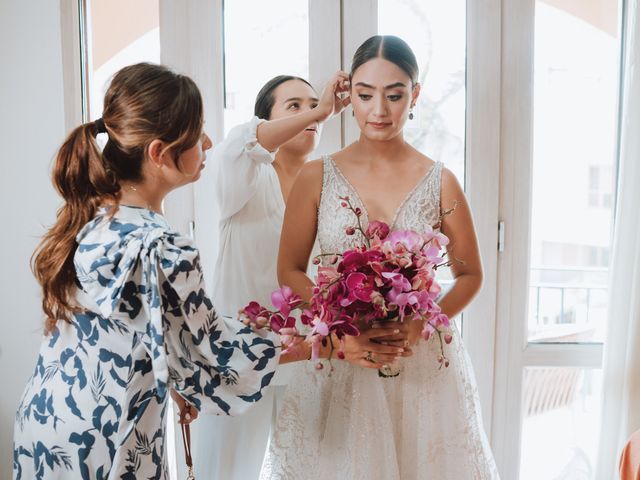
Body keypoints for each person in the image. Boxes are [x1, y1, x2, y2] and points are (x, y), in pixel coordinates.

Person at [12, 63, 281, 479]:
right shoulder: (164, 246)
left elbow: (123, 328)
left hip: (49, 420)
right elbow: (221, 354)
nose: (208, 143)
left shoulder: (92, 213)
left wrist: (172, 380)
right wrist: (325, 346)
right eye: (197, 134)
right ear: (158, 153)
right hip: (108, 435)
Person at [261, 35, 500, 479]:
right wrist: (337, 323)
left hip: (421, 361)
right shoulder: (316, 176)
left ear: (415, 95)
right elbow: (289, 268)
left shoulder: (441, 180)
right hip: (339, 357)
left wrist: (418, 324)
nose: (380, 110)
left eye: (395, 95)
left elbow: (470, 275)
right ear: (349, 94)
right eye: (367, 95)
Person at [193, 72, 410, 479]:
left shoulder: (326, 188)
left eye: (314, 105)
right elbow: (242, 143)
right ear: (269, 120)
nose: (311, 113)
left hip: (308, 361)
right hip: (239, 360)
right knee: (223, 473)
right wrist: (323, 108)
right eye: (295, 105)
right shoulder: (243, 178)